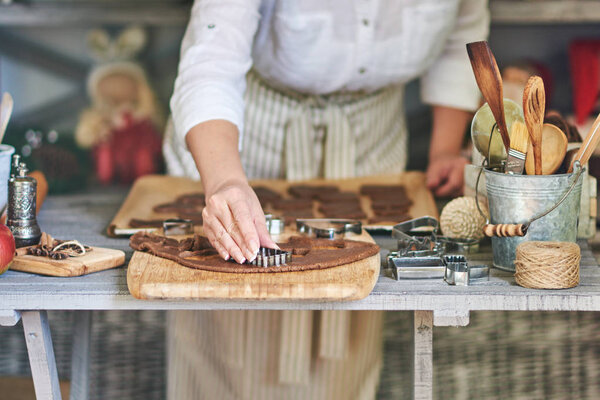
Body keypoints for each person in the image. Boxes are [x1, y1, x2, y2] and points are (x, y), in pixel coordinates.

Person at [164, 1, 489, 398]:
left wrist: (443, 150)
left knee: (348, 321)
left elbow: (461, 40)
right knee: (234, 324)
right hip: (251, 139)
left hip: (372, 141)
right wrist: (225, 182)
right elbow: (211, 59)